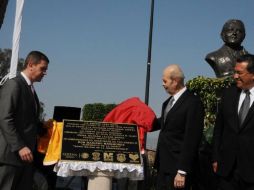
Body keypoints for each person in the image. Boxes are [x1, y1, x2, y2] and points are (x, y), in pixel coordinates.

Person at [0, 51, 50, 190]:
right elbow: (4, 118)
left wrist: (47, 129)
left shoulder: (31, 89)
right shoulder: (14, 84)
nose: (45, 73)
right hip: (11, 157)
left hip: (26, 159)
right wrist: (20, 146)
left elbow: (28, 121)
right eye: (43, 68)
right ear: (30, 65)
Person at [153, 64, 204, 190]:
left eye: (165, 81)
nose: (162, 84)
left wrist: (182, 171)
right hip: (163, 166)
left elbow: (191, 139)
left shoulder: (193, 102)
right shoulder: (167, 103)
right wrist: (142, 122)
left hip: (177, 169)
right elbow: (164, 123)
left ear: (175, 81)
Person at [212, 54, 254, 190]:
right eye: (234, 72)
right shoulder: (229, 94)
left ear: (252, 75)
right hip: (226, 171)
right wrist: (216, 157)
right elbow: (219, 129)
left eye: (239, 73)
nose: (235, 76)